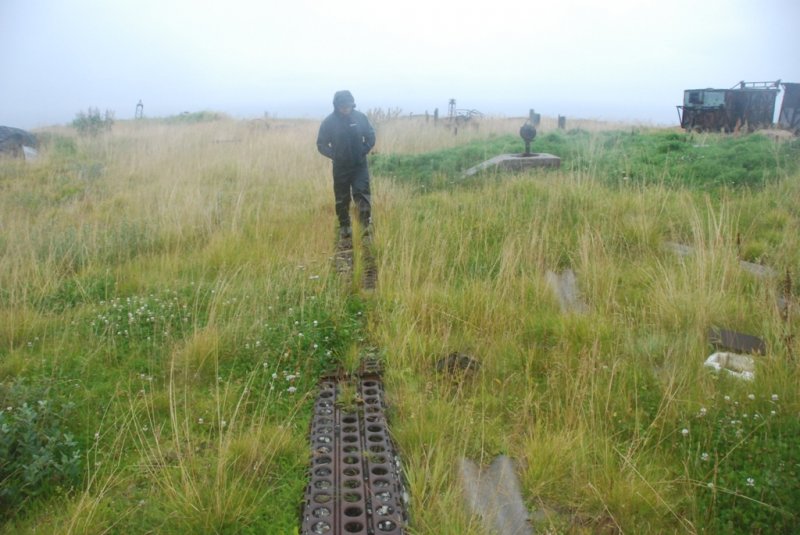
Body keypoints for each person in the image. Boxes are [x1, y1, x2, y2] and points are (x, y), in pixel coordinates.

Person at [316, 90, 376, 239]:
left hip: (359, 165)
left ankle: (365, 226)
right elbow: (321, 144)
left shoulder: (360, 118)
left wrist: (363, 150)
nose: (346, 109)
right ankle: (344, 225)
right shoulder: (329, 122)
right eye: (343, 106)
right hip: (340, 167)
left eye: (348, 106)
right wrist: (335, 155)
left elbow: (370, 136)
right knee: (342, 197)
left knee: (362, 194)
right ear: (336, 106)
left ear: (352, 105)